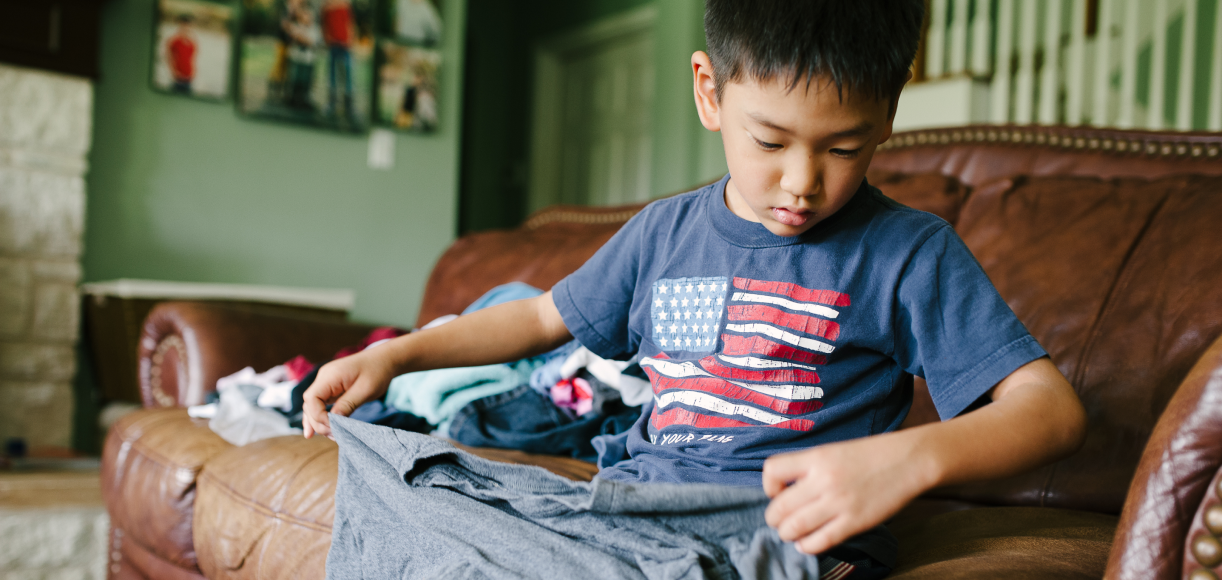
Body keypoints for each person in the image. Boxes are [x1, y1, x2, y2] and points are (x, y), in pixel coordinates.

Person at [303, 0, 1087, 576]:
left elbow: (1049, 411)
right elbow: (544, 317)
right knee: (406, 479)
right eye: (770, 140)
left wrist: (908, 461)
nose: (803, 182)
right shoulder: (663, 233)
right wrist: (398, 357)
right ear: (709, 92)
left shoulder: (910, 252)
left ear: (888, 115)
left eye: (844, 147)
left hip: (782, 533)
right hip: (627, 512)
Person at [320, 0, 357, 124]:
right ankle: (332, 103)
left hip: (345, 44)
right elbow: (324, 24)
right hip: (333, 44)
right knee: (332, 74)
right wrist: (327, 38)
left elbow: (349, 23)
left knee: (347, 74)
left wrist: (351, 39)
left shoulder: (346, 5)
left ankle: (348, 106)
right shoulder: (326, 6)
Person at [165, 14, 196, 94]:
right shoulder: (173, 41)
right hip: (177, 79)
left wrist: (193, 73)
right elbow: (168, 57)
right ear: (180, 26)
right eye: (184, 26)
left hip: (189, 79)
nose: (186, 28)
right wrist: (174, 72)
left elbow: (192, 59)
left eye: (188, 26)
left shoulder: (192, 43)